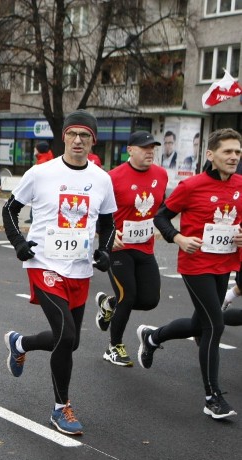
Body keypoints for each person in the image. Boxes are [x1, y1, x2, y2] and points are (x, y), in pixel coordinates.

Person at [2, 109, 116, 435]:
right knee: (65, 337)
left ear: (93, 140)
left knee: (71, 341)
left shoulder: (101, 179)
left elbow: (108, 222)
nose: (78, 140)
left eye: (85, 135)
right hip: (44, 265)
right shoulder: (41, 173)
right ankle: (60, 408)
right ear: (63, 137)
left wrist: (105, 250)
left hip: (79, 270)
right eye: (72, 134)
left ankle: (20, 344)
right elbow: (11, 209)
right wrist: (19, 244)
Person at [137, 128, 242, 420]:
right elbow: (160, 215)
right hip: (196, 264)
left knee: (200, 323)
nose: (234, 157)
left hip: (224, 263)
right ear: (211, 155)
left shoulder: (241, 184)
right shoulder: (191, 186)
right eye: (227, 152)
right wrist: (179, 238)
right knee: (214, 325)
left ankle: (153, 337)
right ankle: (212, 397)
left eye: (237, 152)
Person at [94, 131, 167, 366]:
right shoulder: (112, 177)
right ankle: (113, 347)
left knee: (150, 300)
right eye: (144, 147)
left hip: (145, 246)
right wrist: (106, 234)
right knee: (129, 295)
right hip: (119, 247)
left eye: (152, 147)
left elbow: (160, 208)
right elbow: (94, 210)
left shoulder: (161, 175)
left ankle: (109, 304)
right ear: (130, 150)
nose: (150, 152)